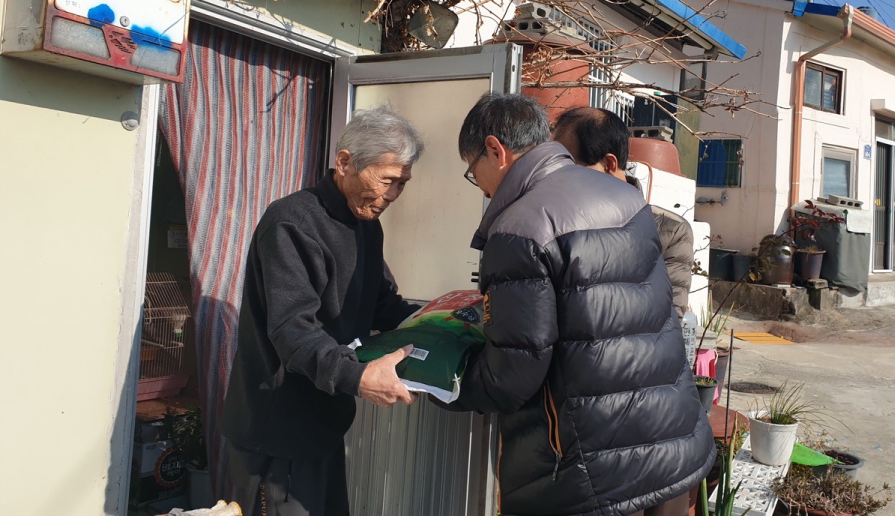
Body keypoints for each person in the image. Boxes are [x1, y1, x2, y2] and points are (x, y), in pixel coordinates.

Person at [451, 93, 714, 516]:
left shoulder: (519, 227)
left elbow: (513, 373)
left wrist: (442, 382)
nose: (479, 185)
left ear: (496, 151)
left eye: (472, 170)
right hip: (670, 441)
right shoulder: (625, 198)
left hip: (592, 473)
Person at [221, 105, 425, 516]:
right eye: (387, 180)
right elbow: (292, 330)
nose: (392, 196)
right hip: (277, 431)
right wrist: (358, 376)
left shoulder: (366, 223)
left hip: (323, 423)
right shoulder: (292, 222)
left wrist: (438, 324)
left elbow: (381, 302)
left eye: (401, 184)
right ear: (345, 162)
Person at [551, 106, 695, 323]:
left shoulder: (669, 230)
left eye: (571, 169)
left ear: (609, 164)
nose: (560, 180)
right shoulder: (556, 224)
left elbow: (668, 318)